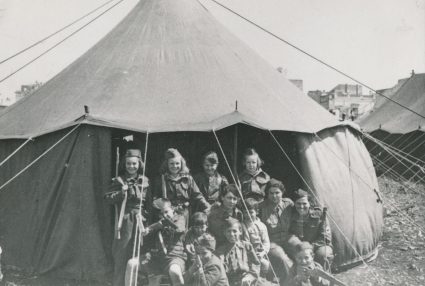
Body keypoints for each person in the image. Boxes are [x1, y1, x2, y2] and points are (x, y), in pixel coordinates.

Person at [104, 149, 151, 286]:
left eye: (134, 164)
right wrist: (121, 192)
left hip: (140, 221)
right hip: (125, 222)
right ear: (124, 165)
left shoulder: (145, 181)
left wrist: (145, 216)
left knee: (138, 255)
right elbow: (108, 198)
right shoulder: (119, 180)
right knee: (122, 255)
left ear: (139, 164)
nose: (132, 167)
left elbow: (149, 202)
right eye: (128, 164)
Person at [155, 148, 210, 224]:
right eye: (171, 163)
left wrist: (207, 207)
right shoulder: (161, 180)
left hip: (184, 213)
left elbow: (197, 195)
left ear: (182, 164)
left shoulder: (188, 179)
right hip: (168, 214)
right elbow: (155, 199)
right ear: (167, 164)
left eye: (177, 163)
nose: (175, 166)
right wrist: (163, 207)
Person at [141, 198, 187, 286]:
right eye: (161, 214)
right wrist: (147, 231)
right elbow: (148, 238)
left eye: (166, 212)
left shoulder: (180, 218)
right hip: (158, 258)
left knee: (175, 272)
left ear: (172, 209)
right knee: (131, 264)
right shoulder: (158, 223)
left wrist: (163, 224)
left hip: (175, 257)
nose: (164, 215)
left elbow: (179, 229)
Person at [258, 178, 293, 283]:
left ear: (282, 192)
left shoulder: (289, 204)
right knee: (283, 259)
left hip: (287, 238)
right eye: (271, 193)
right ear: (267, 194)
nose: (274, 196)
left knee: (301, 249)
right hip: (272, 241)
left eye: (277, 193)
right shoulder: (261, 207)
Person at [287, 189, 333, 269]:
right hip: (299, 246)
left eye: (304, 203)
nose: (301, 207)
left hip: (318, 246)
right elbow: (288, 233)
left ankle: (323, 278)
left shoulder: (319, 215)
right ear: (294, 204)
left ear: (309, 204)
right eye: (298, 203)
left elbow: (325, 238)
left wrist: (310, 247)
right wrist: (300, 246)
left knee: (324, 254)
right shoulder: (291, 215)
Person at [216, 218, 261, 286]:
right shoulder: (221, 251)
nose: (231, 234)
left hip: (247, 280)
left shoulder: (247, 246)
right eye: (228, 231)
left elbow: (255, 264)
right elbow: (219, 271)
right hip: (230, 282)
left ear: (240, 231)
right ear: (224, 233)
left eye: (234, 231)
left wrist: (250, 276)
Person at [241, 198, 270, 277]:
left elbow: (266, 243)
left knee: (266, 265)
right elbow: (244, 242)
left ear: (257, 212)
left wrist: (262, 253)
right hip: (246, 255)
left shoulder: (262, 226)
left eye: (251, 212)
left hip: (258, 254)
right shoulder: (242, 225)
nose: (248, 215)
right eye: (245, 213)